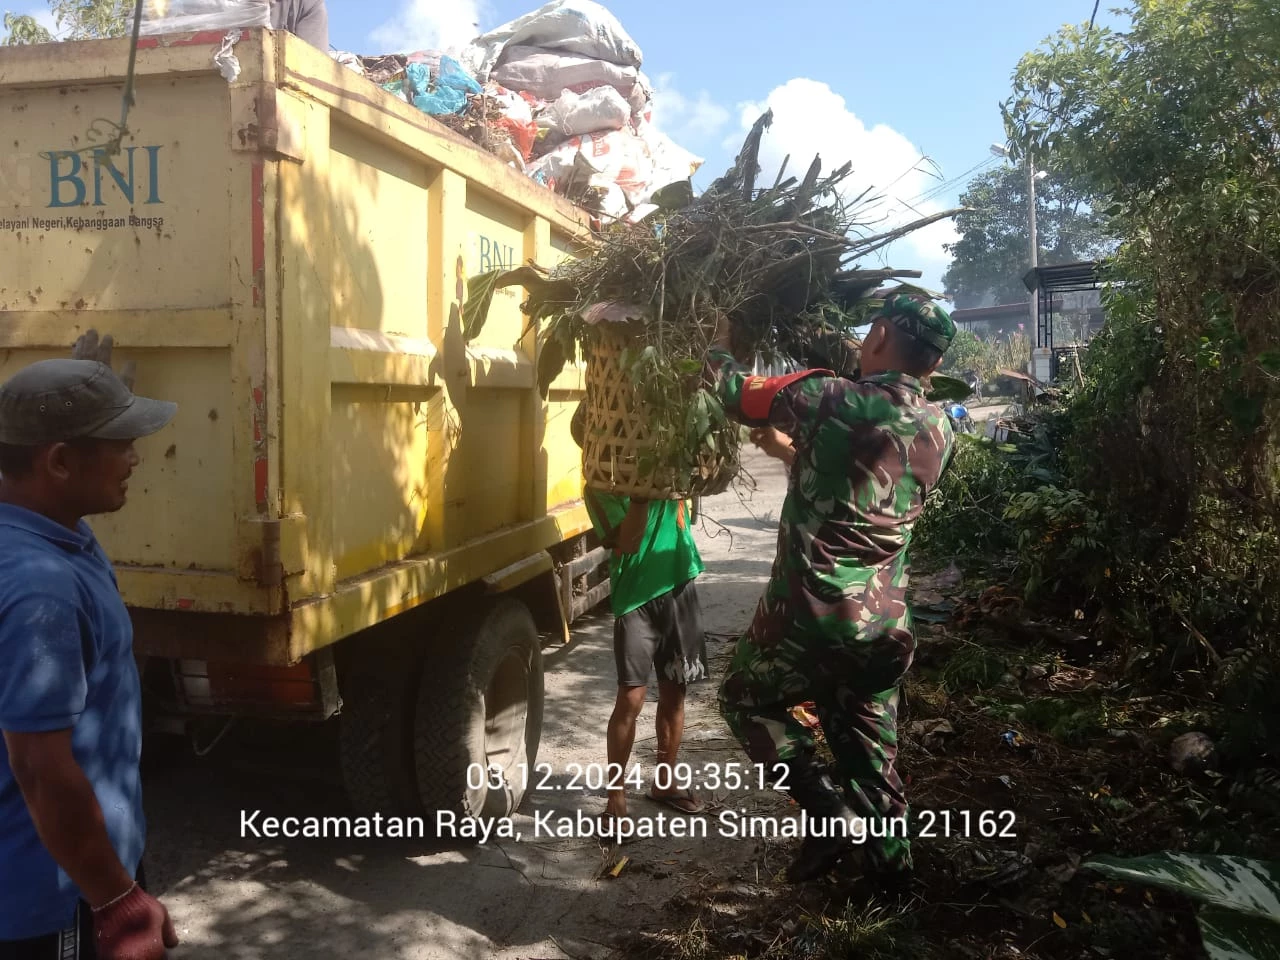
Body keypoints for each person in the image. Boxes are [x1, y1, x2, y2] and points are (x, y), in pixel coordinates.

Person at [705, 294, 957, 891]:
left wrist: (719, 342)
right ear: (931, 364)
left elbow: (737, 393)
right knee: (869, 757)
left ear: (876, 335)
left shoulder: (830, 396)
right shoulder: (939, 426)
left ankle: (827, 816)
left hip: (808, 619)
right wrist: (786, 451)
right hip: (883, 630)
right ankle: (890, 888)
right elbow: (849, 487)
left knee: (744, 701)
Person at [0, 332, 179, 960]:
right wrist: (117, 901)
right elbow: (41, 770)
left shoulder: (50, 531)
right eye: (120, 443)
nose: (135, 457)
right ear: (56, 463)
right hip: (55, 899)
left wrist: (81, 392)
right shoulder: (40, 588)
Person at [571, 401, 710, 833]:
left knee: (675, 692)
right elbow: (627, 542)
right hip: (636, 600)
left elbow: (694, 473)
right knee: (630, 699)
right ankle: (616, 797)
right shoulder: (598, 488)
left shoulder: (658, 461)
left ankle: (664, 781)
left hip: (679, 585)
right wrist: (640, 492)